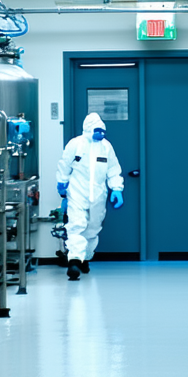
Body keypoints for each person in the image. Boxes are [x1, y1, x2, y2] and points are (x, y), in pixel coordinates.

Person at [57, 112, 124, 281]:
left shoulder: (106, 147)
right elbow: (64, 164)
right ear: (88, 129)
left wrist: (117, 188)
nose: (100, 134)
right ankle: (74, 261)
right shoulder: (76, 144)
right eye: (97, 130)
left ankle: (85, 258)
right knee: (76, 225)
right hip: (77, 192)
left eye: (102, 131)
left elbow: (113, 169)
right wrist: (62, 183)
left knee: (93, 228)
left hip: (99, 195)